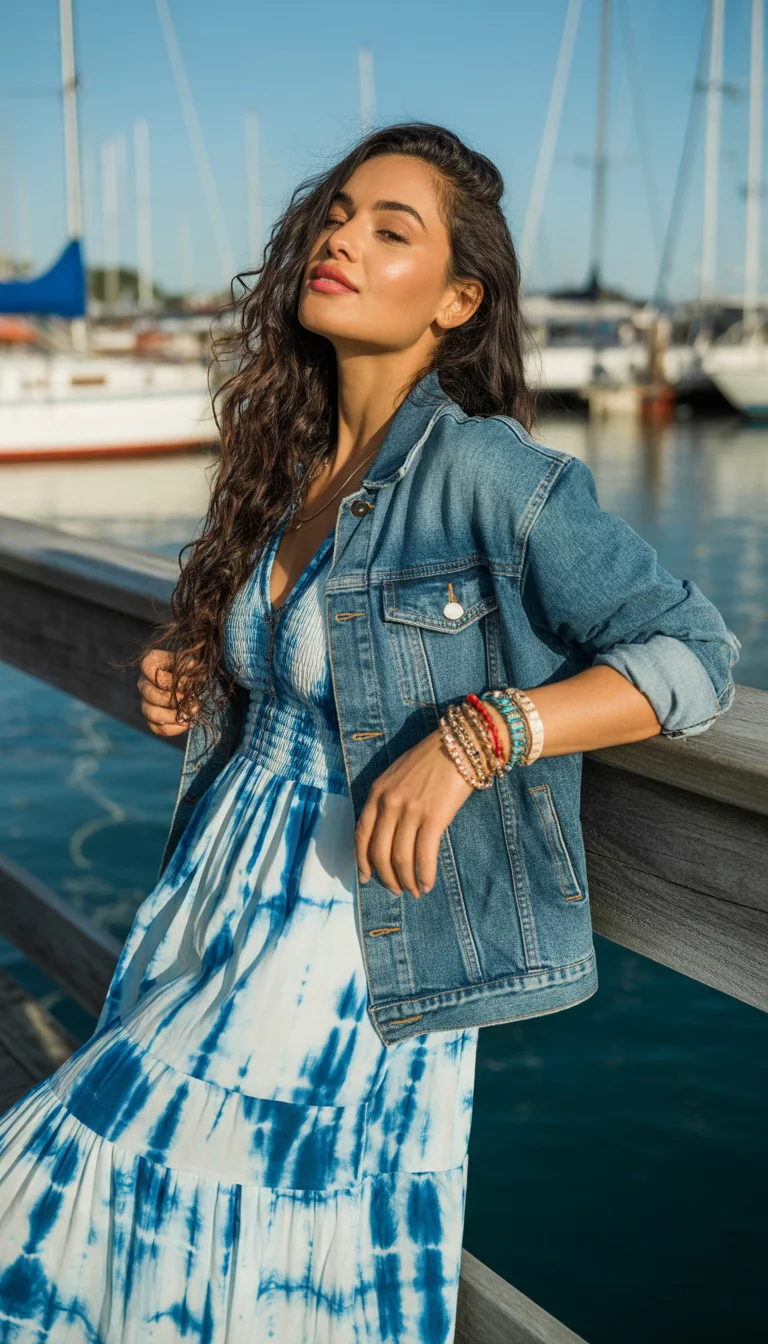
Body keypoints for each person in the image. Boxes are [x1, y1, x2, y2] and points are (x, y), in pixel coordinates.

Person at [0, 122, 740, 1343]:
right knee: (189, 1275)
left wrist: (482, 736)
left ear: (459, 300)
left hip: (351, 948)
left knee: (73, 1192)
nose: (342, 235)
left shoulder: (493, 474)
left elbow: (694, 655)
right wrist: (206, 670)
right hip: (217, 902)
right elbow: (306, 666)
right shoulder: (288, 462)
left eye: (391, 228)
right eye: (338, 213)